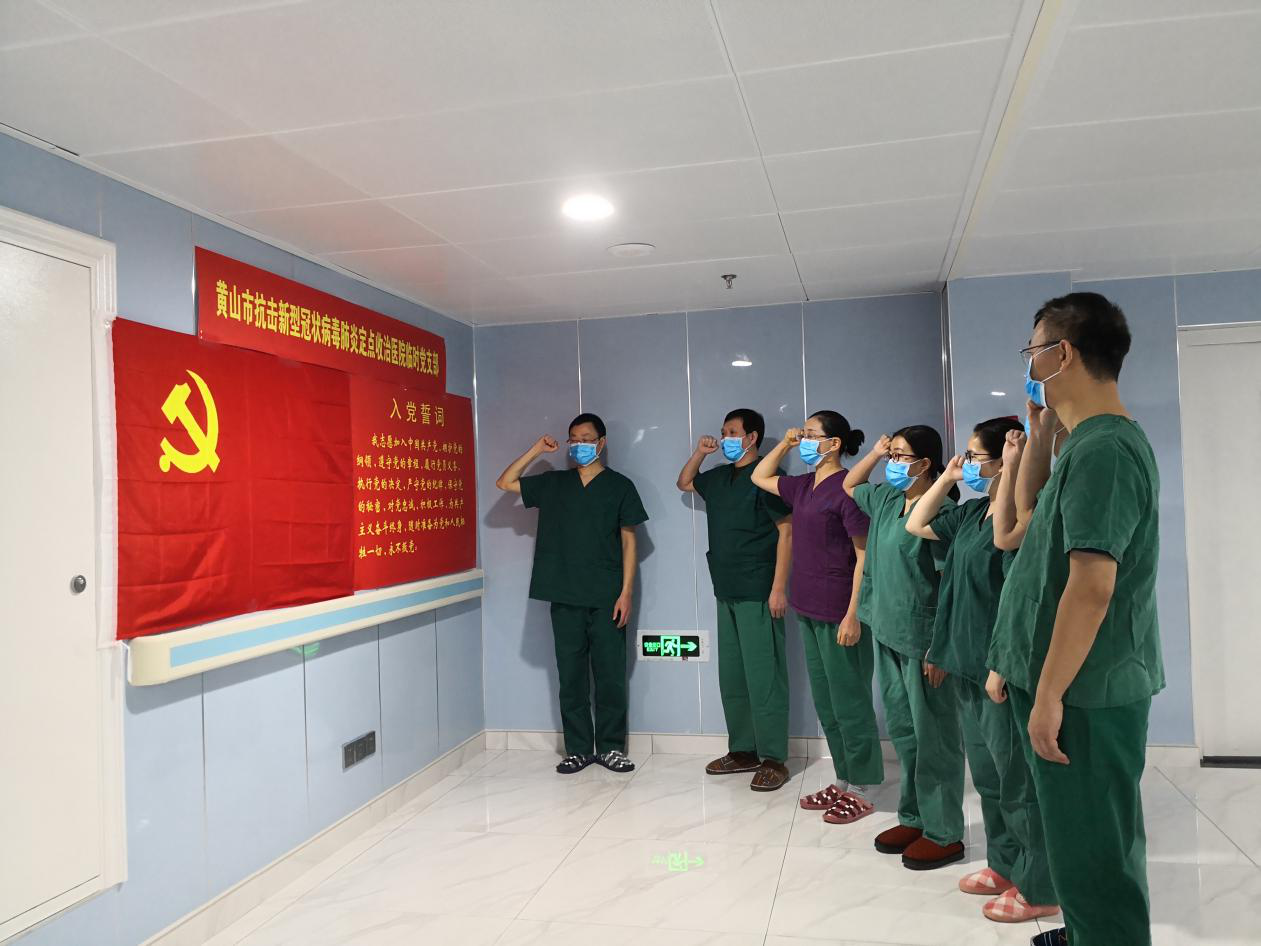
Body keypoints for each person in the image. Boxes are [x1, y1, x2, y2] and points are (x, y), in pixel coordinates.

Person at [986, 292, 1163, 946]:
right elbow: (1025, 520)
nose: (1028, 364)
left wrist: (1049, 694)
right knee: (1078, 846)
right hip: (1069, 685)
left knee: (1095, 860)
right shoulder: (1084, 443)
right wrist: (1040, 431)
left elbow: (1091, 587)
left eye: (1032, 350)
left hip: (1084, 691)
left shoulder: (1106, 450)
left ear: (1061, 353)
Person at [906, 417, 1060, 925]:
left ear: (1002, 460)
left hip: (999, 670)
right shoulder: (973, 514)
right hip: (963, 662)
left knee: (1018, 782)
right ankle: (1005, 864)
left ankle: (1039, 885)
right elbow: (917, 523)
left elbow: (1019, 599)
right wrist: (950, 478)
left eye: (974, 456)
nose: (967, 463)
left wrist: (1000, 664)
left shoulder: (1019, 522)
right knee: (990, 779)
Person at [495, 412, 648, 775]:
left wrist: (626, 592)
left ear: (601, 443)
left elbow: (629, 542)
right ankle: (577, 749)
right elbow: (505, 482)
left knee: (611, 676)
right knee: (571, 675)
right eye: (573, 440)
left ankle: (611, 747)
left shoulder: (620, 486)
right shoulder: (554, 483)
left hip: (607, 595)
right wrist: (536, 449)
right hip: (564, 593)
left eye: (586, 439)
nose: (579, 446)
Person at [751, 412, 884, 823]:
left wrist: (854, 614)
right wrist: (786, 443)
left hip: (839, 610)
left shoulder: (847, 490)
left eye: (812, 434)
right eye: (804, 433)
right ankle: (844, 778)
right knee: (827, 702)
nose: (805, 439)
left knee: (850, 702)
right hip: (808, 607)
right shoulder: (803, 485)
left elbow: (864, 555)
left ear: (835, 443)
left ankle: (864, 785)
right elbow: (759, 475)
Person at [844, 425, 966, 870]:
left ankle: (944, 831)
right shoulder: (887, 499)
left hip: (922, 640)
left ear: (926, 464)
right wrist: (876, 453)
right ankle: (914, 818)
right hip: (887, 629)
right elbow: (851, 484)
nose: (893, 463)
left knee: (935, 737)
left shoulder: (941, 512)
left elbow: (950, 586)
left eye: (900, 456)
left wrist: (941, 647)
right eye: (892, 455)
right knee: (905, 734)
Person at [677, 408, 794, 790]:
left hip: (758, 588)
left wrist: (778, 588)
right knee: (733, 676)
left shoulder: (767, 478)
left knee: (764, 676)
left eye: (732, 432)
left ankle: (774, 758)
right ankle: (743, 751)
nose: (725, 437)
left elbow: (787, 532)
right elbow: (684, 482)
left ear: (752, 437)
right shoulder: (719, 478)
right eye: (723, 431)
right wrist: (701, 452)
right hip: (725, 587)